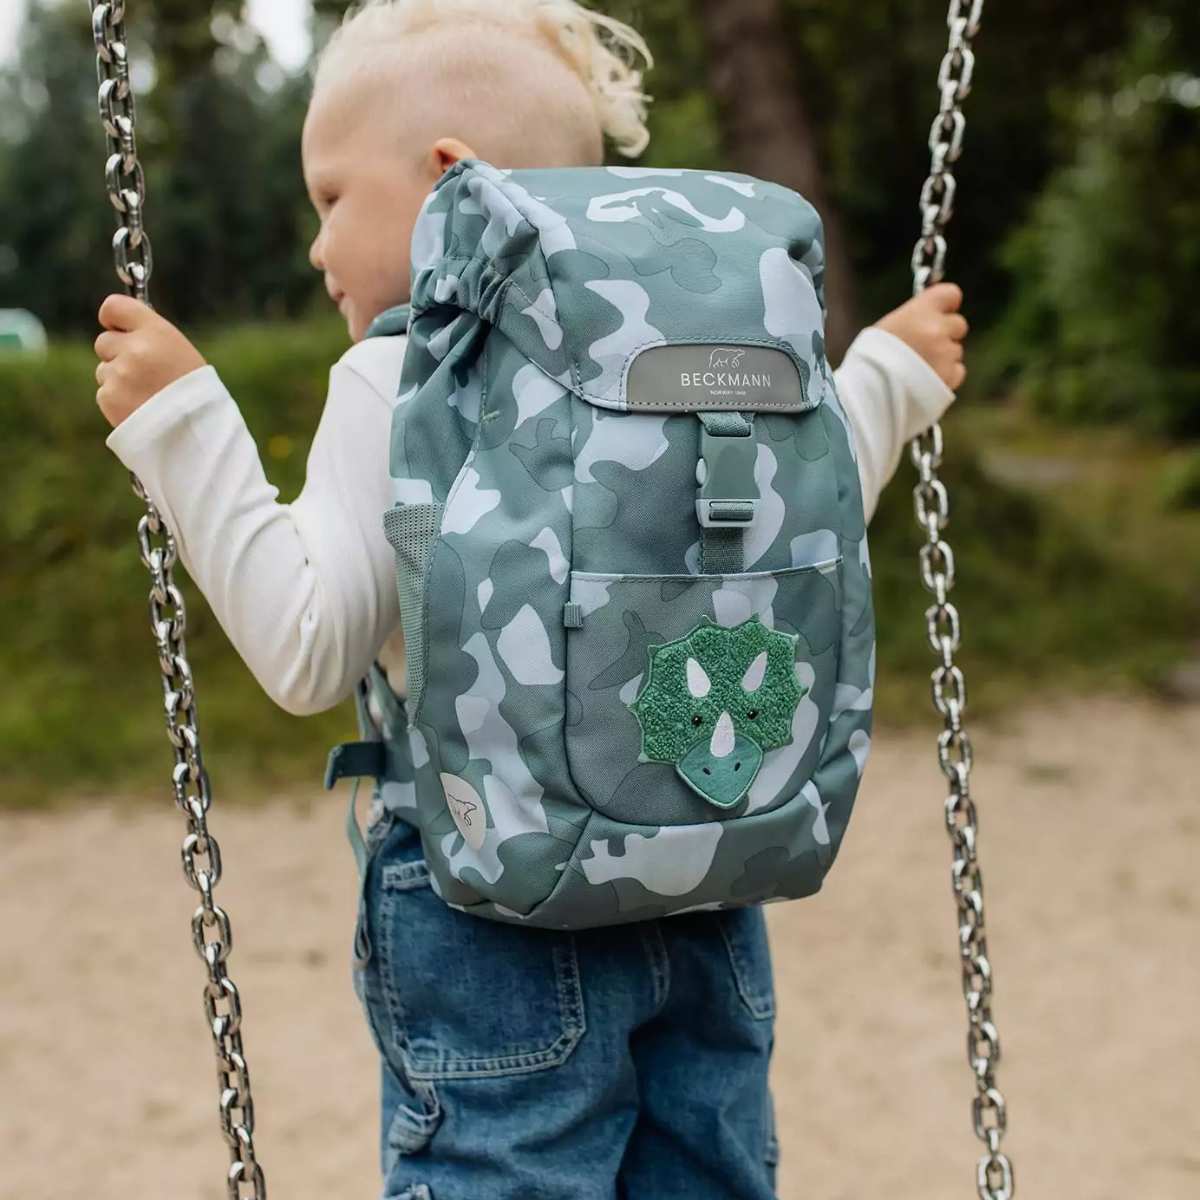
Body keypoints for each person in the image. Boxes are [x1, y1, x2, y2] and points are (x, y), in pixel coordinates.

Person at [93, 3, 969, 1197]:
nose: (316, 248)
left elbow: (305, 648)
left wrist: (184, 424)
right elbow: (802, 510)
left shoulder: (398, 375)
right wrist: (889, 376)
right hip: (707, 897)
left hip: (490, 916)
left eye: (331, 199)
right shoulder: (702, 369)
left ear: (452, 183)